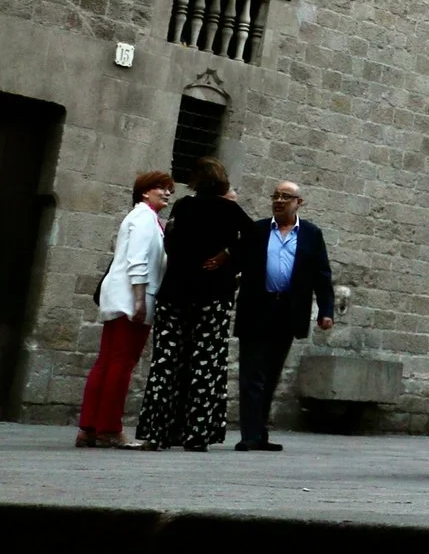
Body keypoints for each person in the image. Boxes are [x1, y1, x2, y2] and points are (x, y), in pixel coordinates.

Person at [137, 158, 251, 451]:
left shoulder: (183, 207)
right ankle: (197, 434)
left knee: (166, 363)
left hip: (176, 292)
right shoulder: (230, 210)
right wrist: (228, 254)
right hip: (212, 295)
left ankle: (158, 432)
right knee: (206, 363)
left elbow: (171, 243)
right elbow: (257, 239)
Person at [232, 181, 336, 451]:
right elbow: (236, 260)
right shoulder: (257, 230)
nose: (279, 201)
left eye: (286, 197)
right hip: (257, 307)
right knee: (251, 373)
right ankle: (250, 435)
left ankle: (260, 432)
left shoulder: (312, 234)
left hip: (287, 311)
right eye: (276, 196)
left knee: (271, 373)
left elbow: (322, 276)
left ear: (299, 203)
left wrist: (326, 311)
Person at [78, 170, 171, 449]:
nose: (167, 193)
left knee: (107, 362)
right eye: (161, 188)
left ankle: (90, 427)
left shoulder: (143, 218)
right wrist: (140, 299)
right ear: (145, 192)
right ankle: (108, 427)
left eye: (169, 189)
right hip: (131, 296)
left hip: (122, 295)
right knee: (120, 364)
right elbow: (138, 259)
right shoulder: (143, 218)